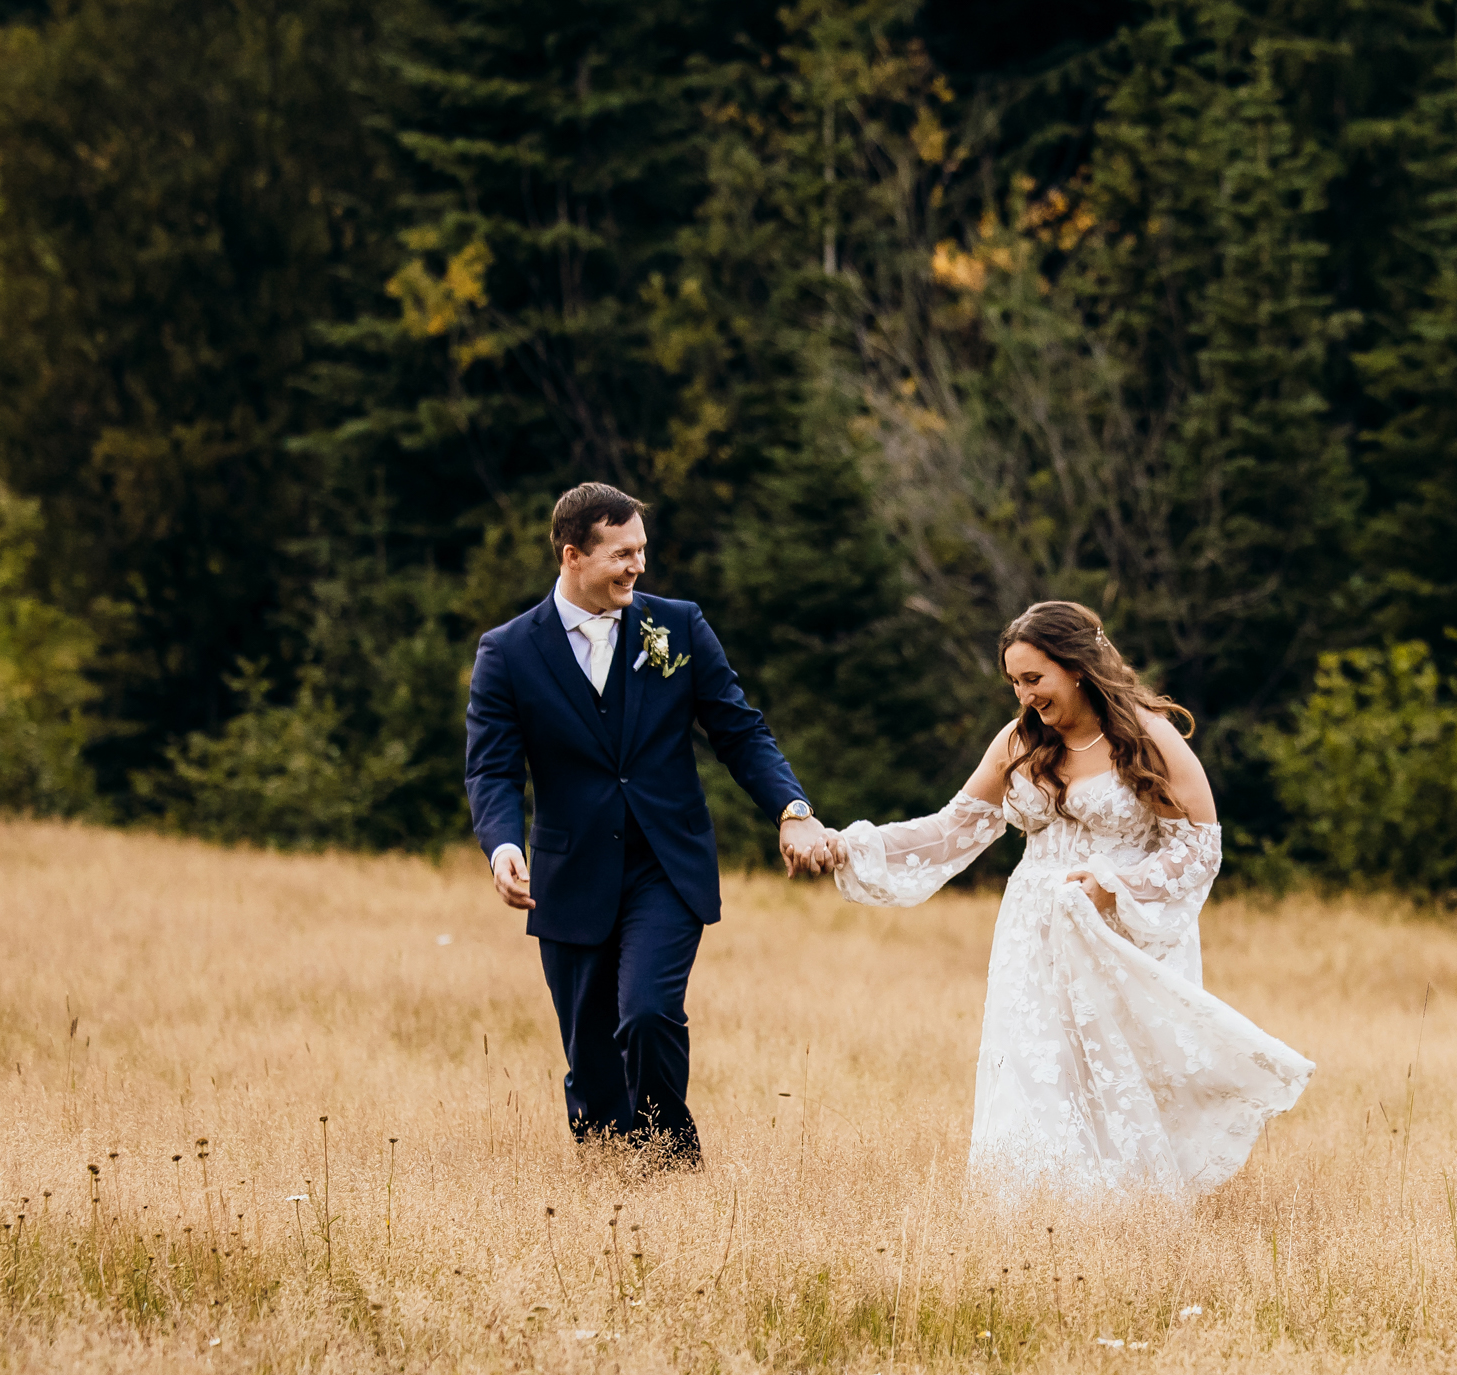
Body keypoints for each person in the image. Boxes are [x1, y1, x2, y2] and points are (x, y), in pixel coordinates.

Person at [827, 600, 1312, 1197]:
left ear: (1078, 666)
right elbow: (952, 830)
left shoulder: (1145, 736)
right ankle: (1037, 1215)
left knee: (1117, 1076)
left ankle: (1131, 1216)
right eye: (1014, 682)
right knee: (1038, 1068)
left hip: (1117, 932)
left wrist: (1117, 887)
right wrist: (847, 846)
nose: (1024, 696)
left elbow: (1199, 847)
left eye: (1034, 679)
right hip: (1032, 933)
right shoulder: (1019, 742)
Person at [465, 483, 838, 1165]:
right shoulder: (508, 651)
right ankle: (610, 1175)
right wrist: (503, 845)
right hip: (570, 873)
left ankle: (670, 1160)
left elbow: (739, 730)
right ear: (574, 555)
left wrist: (793, 810)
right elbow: (491, 769)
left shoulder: (679, 625)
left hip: (666, 864)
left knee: (646, 1012)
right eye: (623, 553)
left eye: (642, 550)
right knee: (592, 1052)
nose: (639, 566)